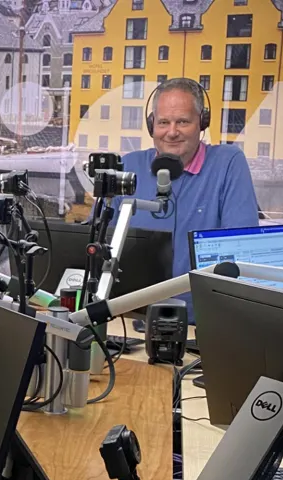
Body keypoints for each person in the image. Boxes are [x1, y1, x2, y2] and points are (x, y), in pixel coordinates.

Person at [109, 77, 259, 317]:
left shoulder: (228, 163)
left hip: (202, 318)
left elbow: (242, 250)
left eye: (182, 122)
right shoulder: (127, 167)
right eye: (163, 122)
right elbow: (96, 244)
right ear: (151, 125)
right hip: (130, 317)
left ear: (202, 123)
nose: (172, 132)